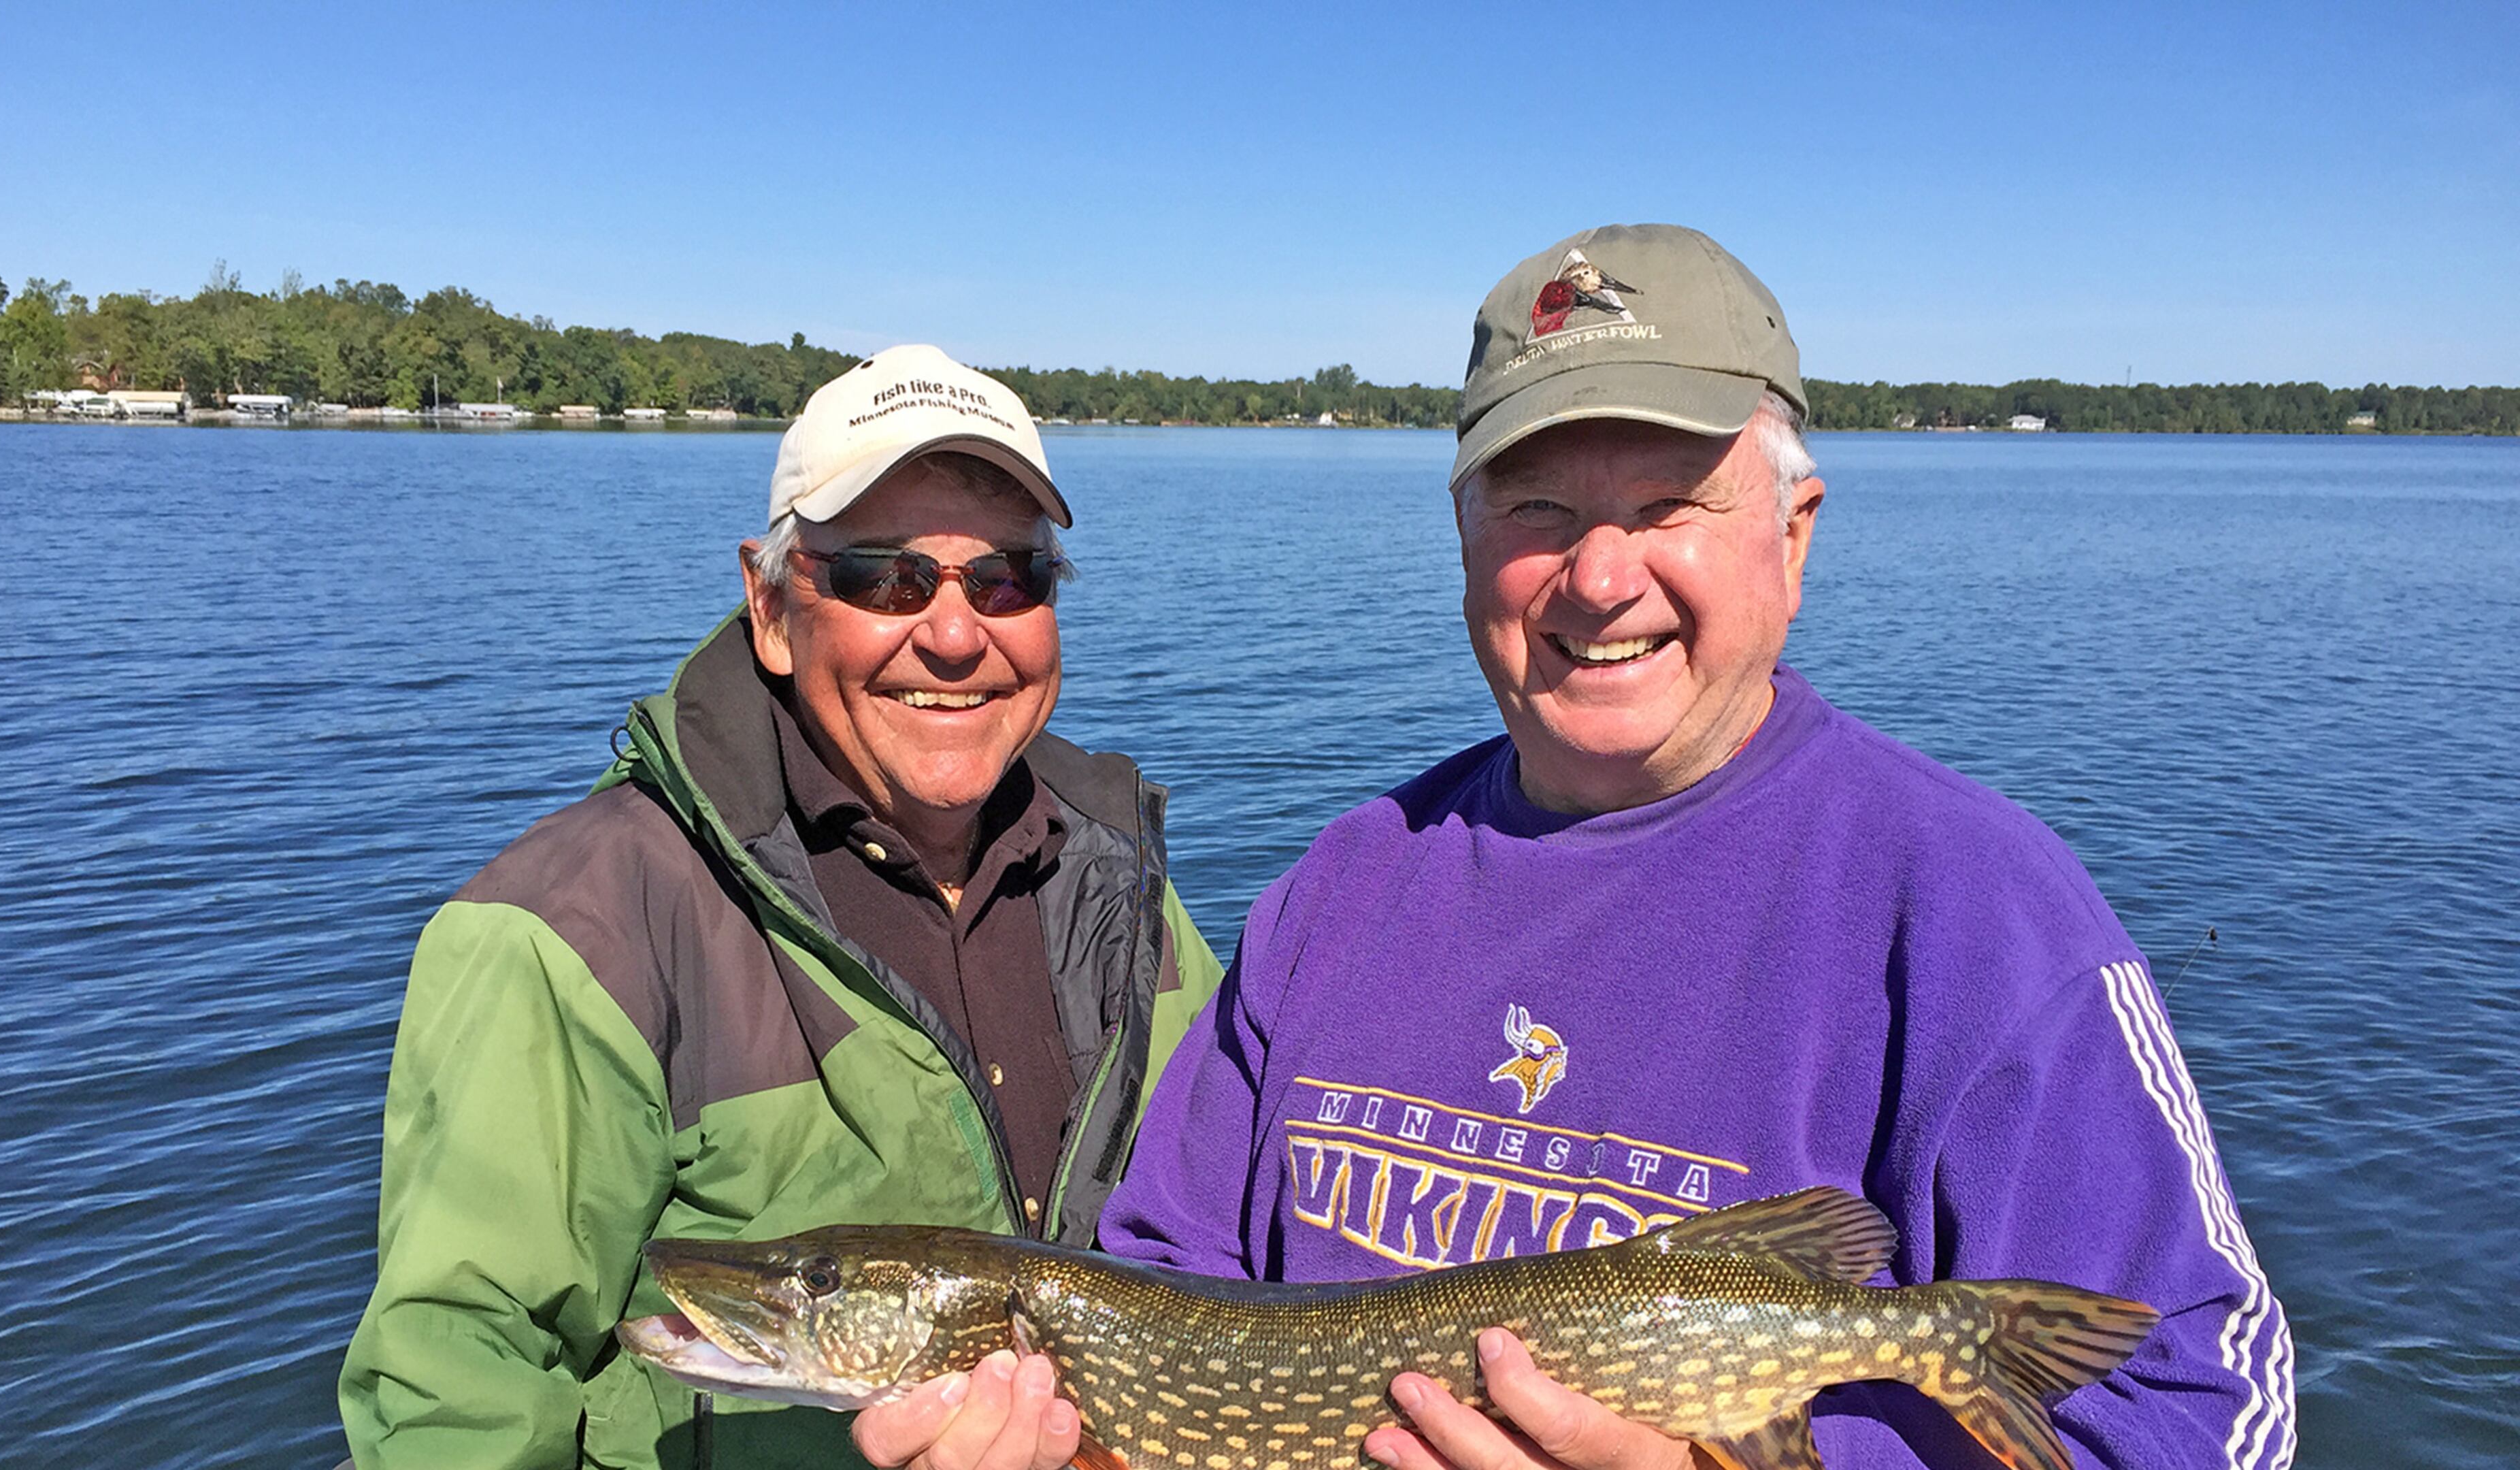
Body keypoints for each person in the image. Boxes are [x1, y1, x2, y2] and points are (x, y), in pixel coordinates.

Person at [865, 227, 2293, 1470]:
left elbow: (2206, 1415)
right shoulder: (1346, 885)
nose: (1601, 578)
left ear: (1792, 535)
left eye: (1670, 504)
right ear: (1467, 537)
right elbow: (1168, 1283)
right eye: (1540, 507)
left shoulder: (1982, 914)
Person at [338, 344, 1225, 1470]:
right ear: (770, 605)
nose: (956, 634)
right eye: (883, 577)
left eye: (1007, 577)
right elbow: (450, 1407)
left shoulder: (1122, 892)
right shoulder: (578, 930)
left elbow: (1232, 1239)